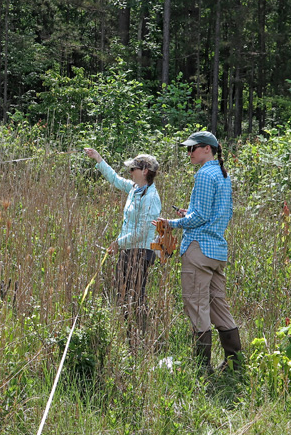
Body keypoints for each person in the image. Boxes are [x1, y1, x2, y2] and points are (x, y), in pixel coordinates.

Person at [153, 131, 241, 373]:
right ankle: (234, 364)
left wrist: (172, 223)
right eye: (188, 149)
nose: (189, 153)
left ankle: (202, 369)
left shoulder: (204, 174)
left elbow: (200, 217)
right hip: (216, 251)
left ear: (207, 149)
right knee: (218, 305)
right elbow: (217, 213)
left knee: (196, 304)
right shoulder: (222, 174)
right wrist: (188, 214)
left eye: (192, 148)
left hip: (199, 249)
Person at [84, 148, 162, 347]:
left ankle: (139, 340)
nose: (130, 172)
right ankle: (130, 338)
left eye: (133, 169)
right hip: (128, 250)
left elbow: (144, 232)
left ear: (145, 171)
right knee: (123, 295)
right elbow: (115, 179)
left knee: (135, 297)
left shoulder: (151, 197)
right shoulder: (134, 188)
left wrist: (119, 243)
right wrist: (98, 159)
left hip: (141, 253)